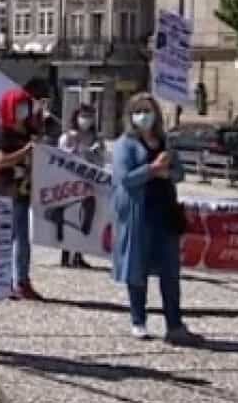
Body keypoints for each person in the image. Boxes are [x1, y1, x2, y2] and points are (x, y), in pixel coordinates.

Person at [111, 93, 197, 343]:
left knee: (170, 272)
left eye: (147, 110)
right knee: (136, 270)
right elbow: (125, 178)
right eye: (138, 111)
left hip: (165, 213)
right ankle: (138, 320)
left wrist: (167, 172)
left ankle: (175, 324)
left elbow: (179, 174)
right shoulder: (125, 144)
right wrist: (152, 170)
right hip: (139, 214)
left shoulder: (164, 142)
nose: (143, 115)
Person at [0, 88, 41, 301]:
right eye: (19, 106)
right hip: (6, 191)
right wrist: (25, 152)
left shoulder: (29, 131)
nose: (23, 110)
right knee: (12, 239)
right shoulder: (2, 133)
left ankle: (19, 280)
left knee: (21, 239)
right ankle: (10, 281)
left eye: (26, 106)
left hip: (24, 191)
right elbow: (0, 161)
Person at [55, 104, 105, 269]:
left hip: (88, 185)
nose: (86, 120)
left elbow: (101, 162)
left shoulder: (96, 139)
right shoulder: (67, 137)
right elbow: (60, 159)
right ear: (76, 116)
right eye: (84, 115)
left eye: (90, 116)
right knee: (69, 217)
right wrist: (76, 149)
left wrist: (95, 152)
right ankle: (65, 254)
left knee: (86, 219)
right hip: (69, 185)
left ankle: (79, 254)